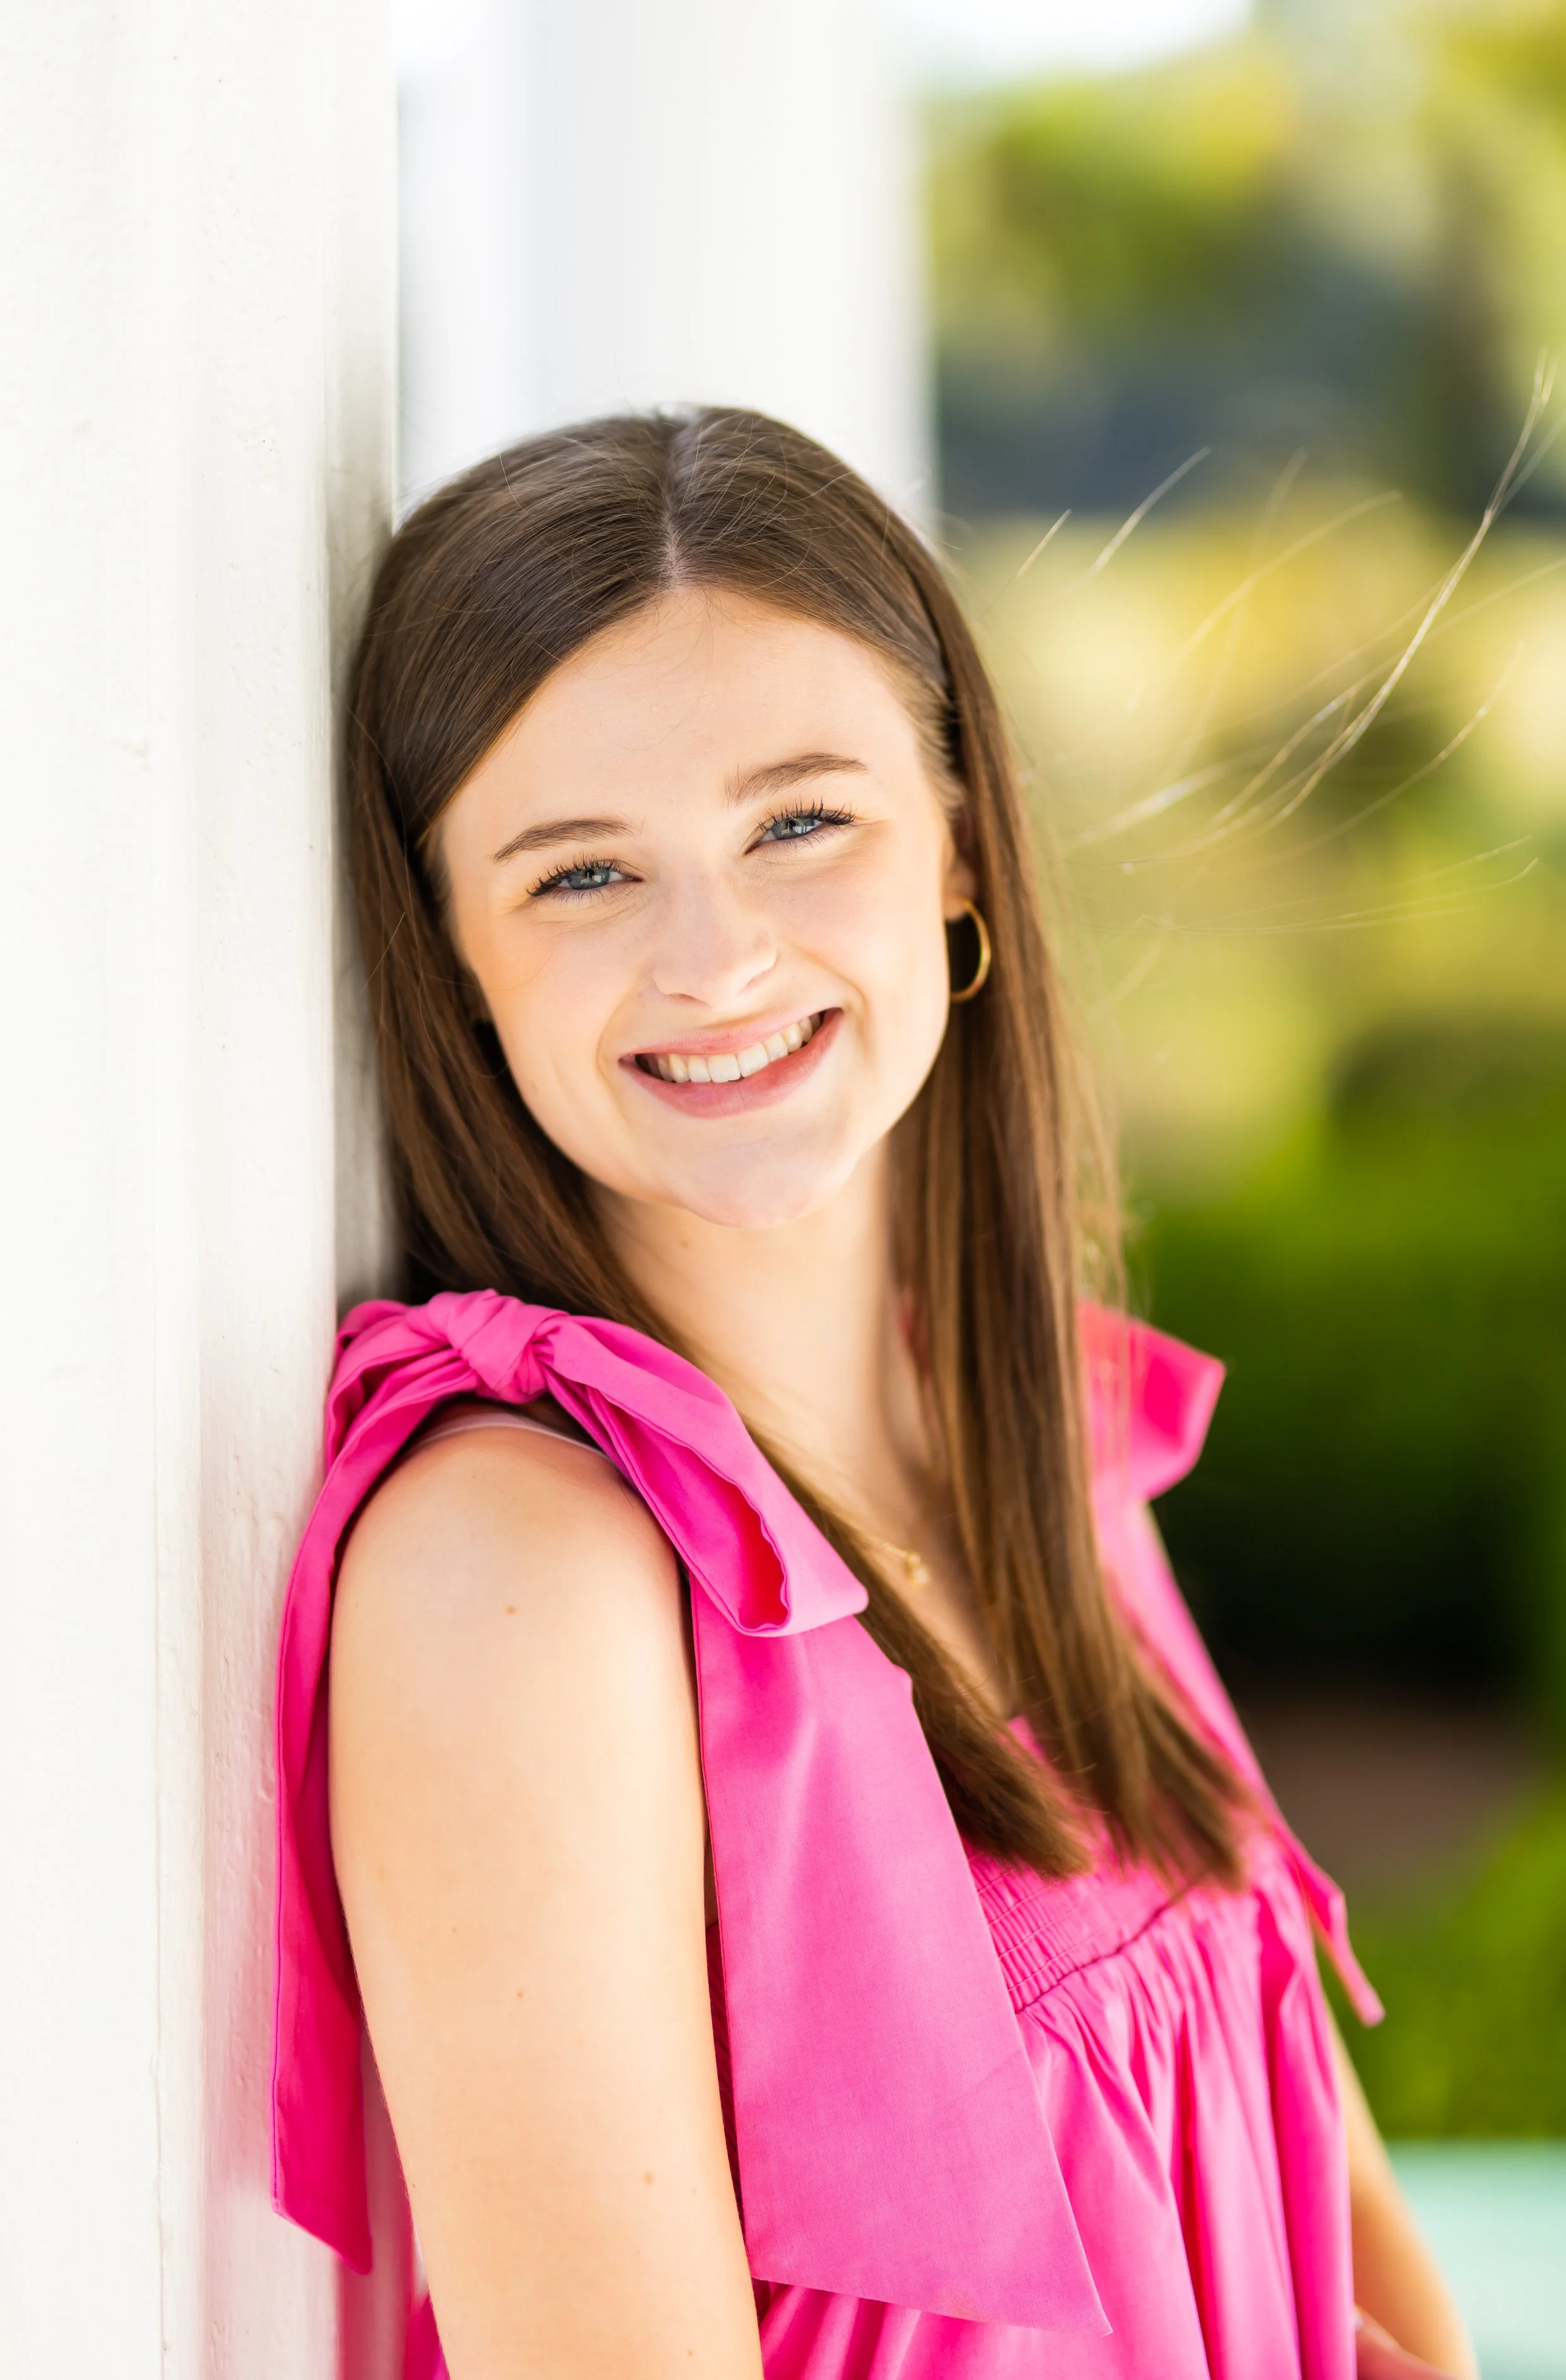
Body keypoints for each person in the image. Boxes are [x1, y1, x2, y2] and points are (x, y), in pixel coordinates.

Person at [272, 409, 1475, 2380]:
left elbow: (1349, 2238)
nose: (716, 955)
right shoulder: (525, 1571)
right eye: (579, 873)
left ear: (958, 850)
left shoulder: (1038, 1433)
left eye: (798, 822)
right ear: (459, 966)